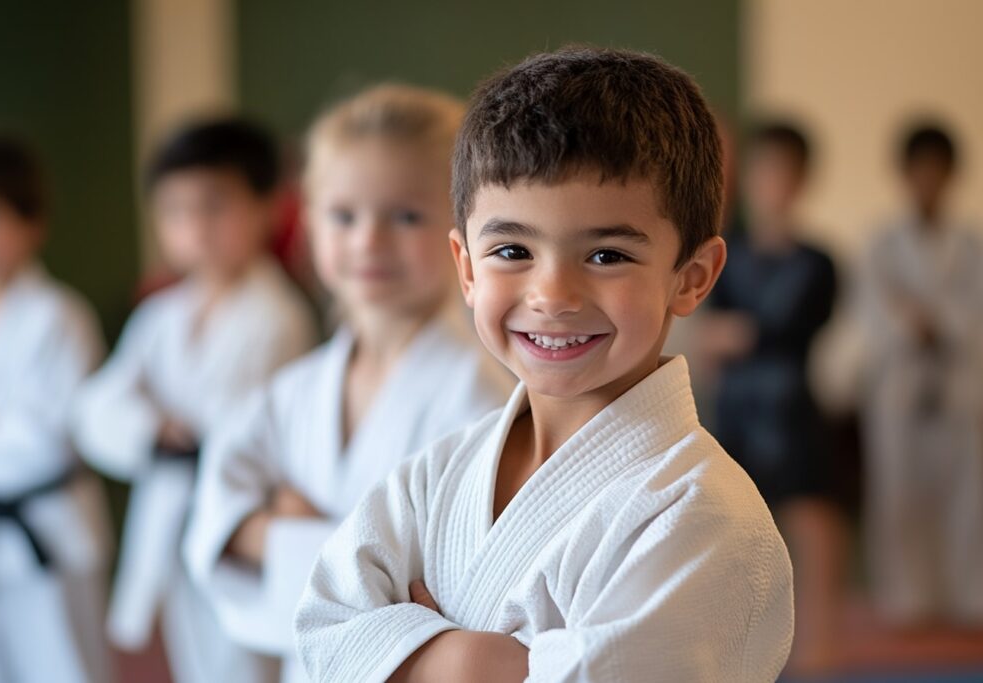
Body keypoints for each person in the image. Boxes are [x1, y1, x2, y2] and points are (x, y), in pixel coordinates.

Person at [294, 47, 794, 683]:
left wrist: (421, 654)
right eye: (511, 249)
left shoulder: (701, 517)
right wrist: (497, 661)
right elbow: (321, 629)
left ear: (691, 278)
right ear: (467, 269)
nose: (553, 295)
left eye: (608, 256)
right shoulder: (437, 473)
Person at [183, 84, 512, 683]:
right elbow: (217, 511)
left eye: (406, 215)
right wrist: (345, 549)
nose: (368, 241)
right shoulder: (296, 390)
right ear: (306, 221)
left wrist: (283, 528)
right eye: (343, 215)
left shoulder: (479, 392)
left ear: (466, 229)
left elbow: (446, 589)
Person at [72, 117, 316, 683]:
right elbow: (97, 406)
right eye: (176, 211)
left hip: (239, 517)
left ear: (266, 208)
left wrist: (169, 422)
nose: (196, 228)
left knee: (239, 661)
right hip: (172, 508)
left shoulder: (277, 316)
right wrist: (151, 428)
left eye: (214, 207)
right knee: (187, 660)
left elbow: (237, 427)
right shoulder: (160, 315)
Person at [0, 133, 111, 682]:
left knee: (62, 666)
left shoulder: (60, 316)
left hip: (48, 532)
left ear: (32, 222)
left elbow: (56, 436)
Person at [702, 122, 843, 673]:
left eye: (785, 171)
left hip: (793, 417)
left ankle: (819, 663)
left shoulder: (819, 262)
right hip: (735, 418)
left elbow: (780, 330)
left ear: (803, 180)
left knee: (813, 539)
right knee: (732, 553)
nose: (772, 183)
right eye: (763, 169)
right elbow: (709, 336)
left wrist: (738, 335)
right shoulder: (722, 254)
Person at [860, 123, 983, 626]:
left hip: (958, 387)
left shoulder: (971, 245)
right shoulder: (881, 244)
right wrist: (910, 323)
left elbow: (973, 314)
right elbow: (871, 312)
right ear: (906, 174)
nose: (928, 179)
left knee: (966, 497)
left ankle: (969, 596)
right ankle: (906, 600)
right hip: (901, 388)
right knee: (899, 494)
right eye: (920, 169)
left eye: (938, 169)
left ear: (952, 175)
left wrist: (935, 321)